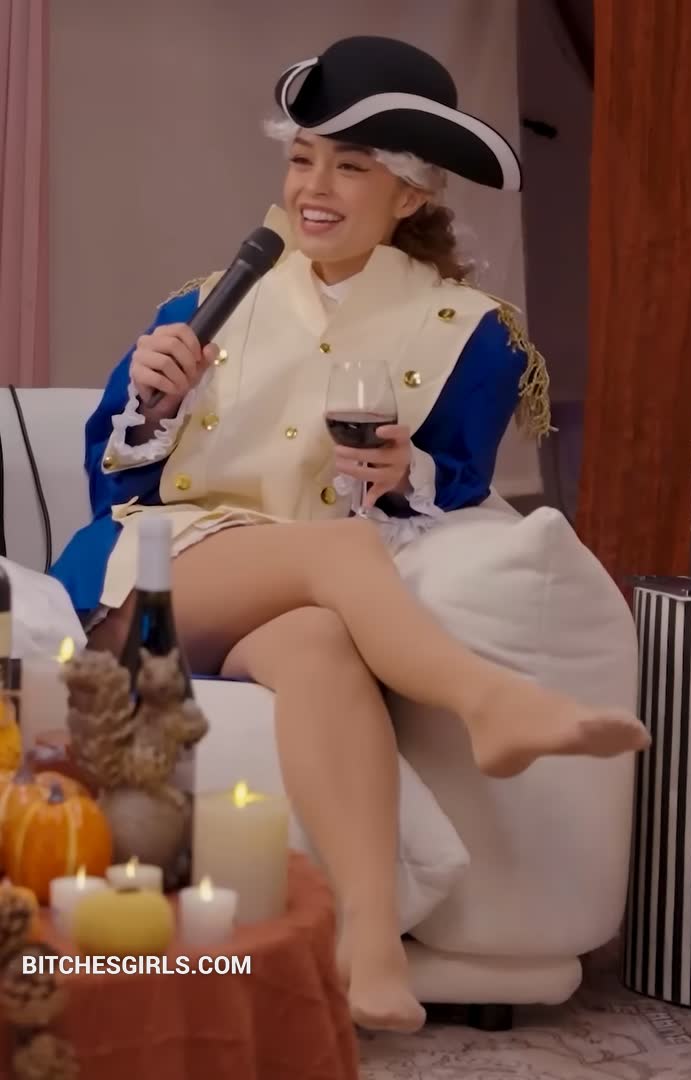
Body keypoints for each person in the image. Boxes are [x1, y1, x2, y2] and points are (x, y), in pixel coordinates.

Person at [50, 36, 649, 1033]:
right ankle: (489, 701)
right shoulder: (202, 305)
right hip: (150, 574)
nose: (312, 188)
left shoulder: (470, 333)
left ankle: (369, 951)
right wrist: (149, 411)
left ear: (410, 194)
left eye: (350, 166)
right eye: (302, 159)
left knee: (323, 642)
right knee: (341, 553)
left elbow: (456, 483)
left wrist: (404, 476)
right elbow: (113, 485)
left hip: (290, 599)